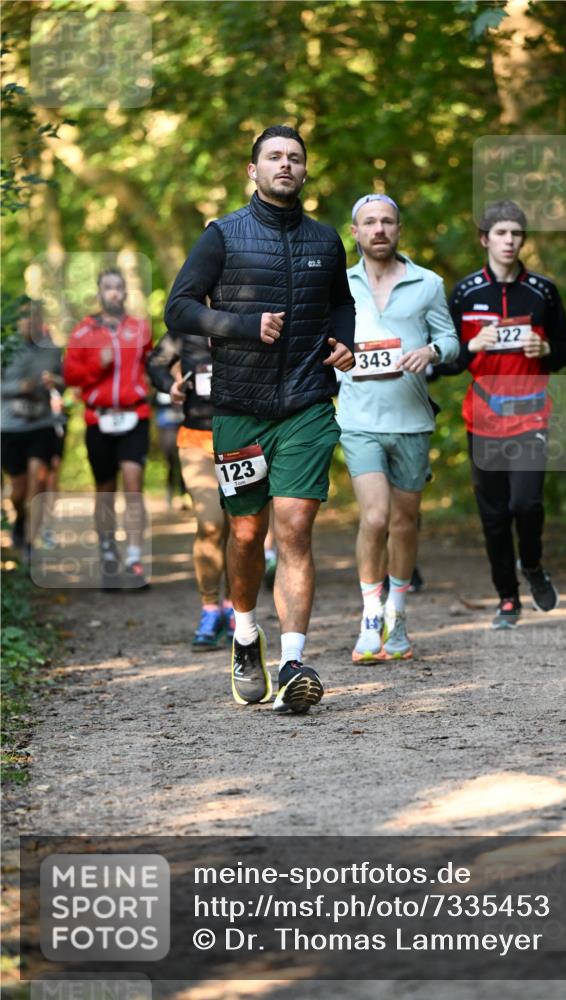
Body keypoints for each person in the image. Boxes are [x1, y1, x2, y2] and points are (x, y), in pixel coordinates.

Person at [165, 124, 355, 713]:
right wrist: (245, 327)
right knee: (245, 534)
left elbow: (340, 304)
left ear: (305, 170)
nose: (285, 165)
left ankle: (293, 661)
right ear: (253, 170)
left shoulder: (326, 240)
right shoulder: (222, 236)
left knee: (294, 530)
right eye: (274, 157)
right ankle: (245, 635)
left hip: (305, 405)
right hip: (240, 412)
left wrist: (343, 343)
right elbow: (179, 307)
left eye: (295, 158)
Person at [435, 200, 566, 629]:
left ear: (523, 240)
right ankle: (508, 598)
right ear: (485, 239)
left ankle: (531, 564)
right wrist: (470, 348)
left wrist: (547, 350)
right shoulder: (465, 293)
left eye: (516, 234)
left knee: (527, 504)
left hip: (532, 416)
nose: (509, 241)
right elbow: (448, 361)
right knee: (494, 516)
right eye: (501, 233)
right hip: (483, 419)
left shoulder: (543, 292)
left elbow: (565, 348)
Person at [337, 194, 459, 662]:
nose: (379, 229)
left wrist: (431, 352)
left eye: (387, 221)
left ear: (398, 229)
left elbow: (449, 339)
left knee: (405, 522)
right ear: (356, 232)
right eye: (370, 222)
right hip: (359, 419)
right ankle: (370, 618)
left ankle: (398, 615)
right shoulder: (339, 284)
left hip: (412, 418)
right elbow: (323, 341)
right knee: (375, 517)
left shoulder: (427, 283)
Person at [63, 268, 152, 590]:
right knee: (105, 491)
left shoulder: (140, 329)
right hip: (97, 419)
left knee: (133, 485)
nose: (113, 293)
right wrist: (95, 365)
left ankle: (135, 559)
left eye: (118, 287)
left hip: (134, 416)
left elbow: (153, 364)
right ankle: (108, 555)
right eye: (108, 287)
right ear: (99, 293)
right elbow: (70, 376)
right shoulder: (83, 332)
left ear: (125, 292)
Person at [147, 330, 235, 649]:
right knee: (211, 524)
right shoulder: (185, 329)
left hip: (244, 436)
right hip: (198, 437)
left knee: (242, 528)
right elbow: (155, 363)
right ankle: (210, 607)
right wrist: (169, 385)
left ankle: (236, 607)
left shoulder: (250, 315)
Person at [1, 298, 64, 558]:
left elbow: (65, 382)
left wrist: (56, 382)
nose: (30, 322)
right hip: (10, 427)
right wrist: (19, 387)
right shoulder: (5, 349)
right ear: (17, 322)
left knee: (38, 478)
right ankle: (19, 519)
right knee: (18, 490)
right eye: (25, 317)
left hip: (42, 424)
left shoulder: (52, 350)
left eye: (35, 317)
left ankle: (29, 543)